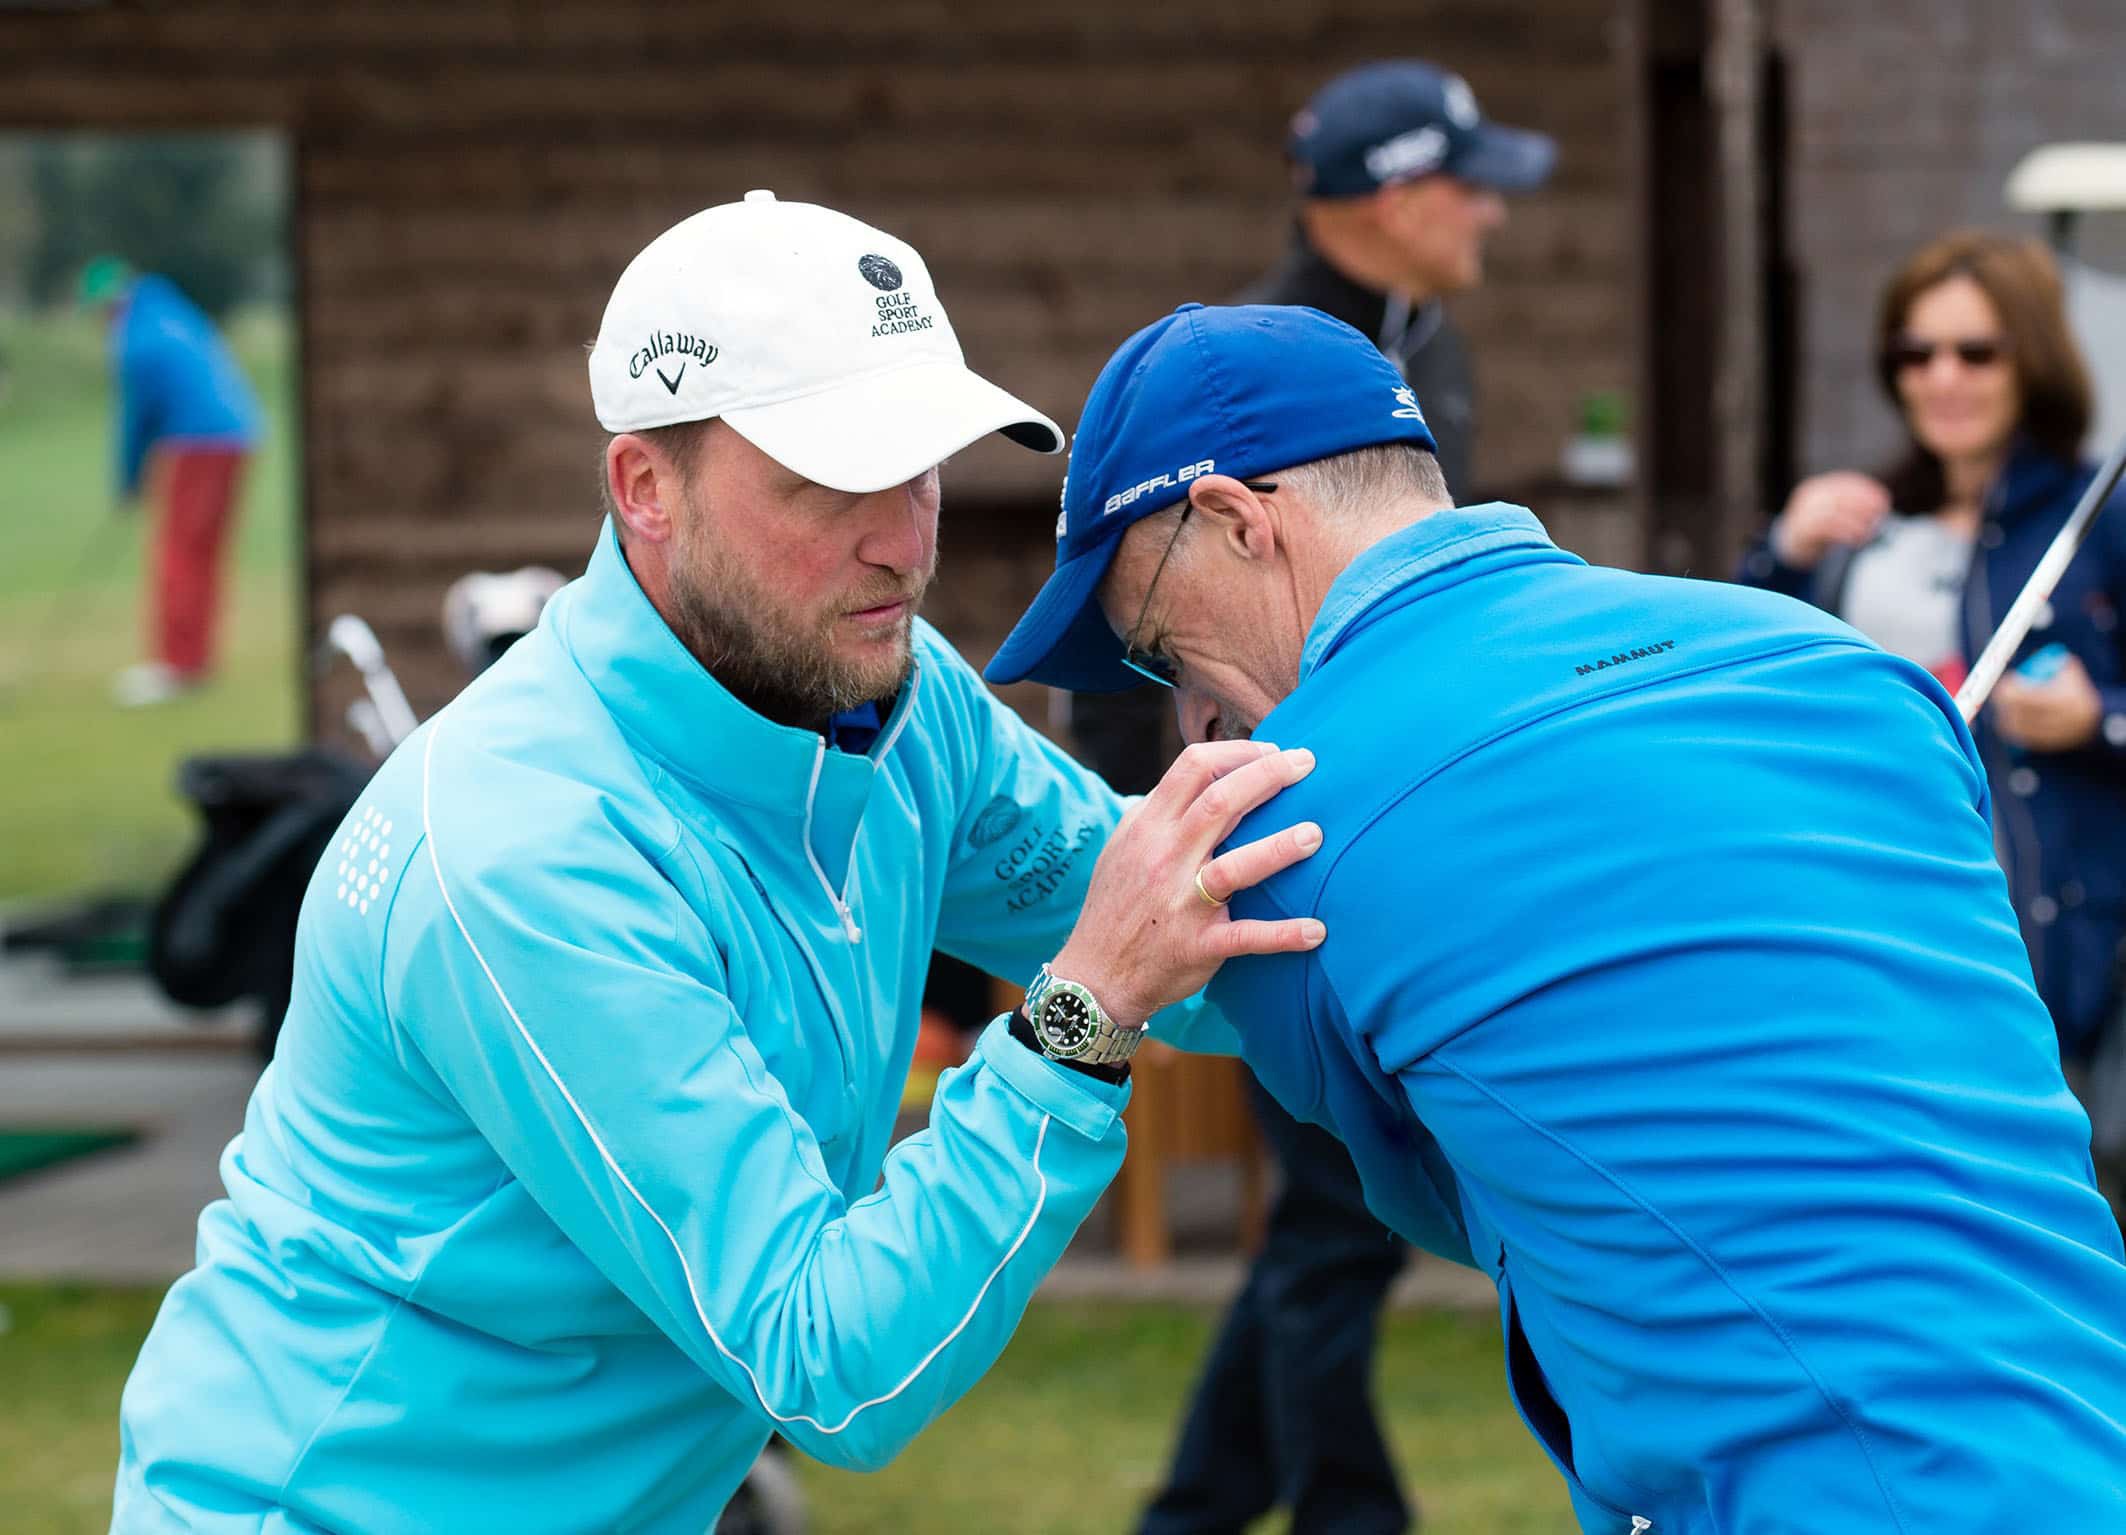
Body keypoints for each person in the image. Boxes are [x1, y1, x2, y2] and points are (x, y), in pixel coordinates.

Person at [110, 193, 1327, 1533]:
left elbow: (1191, 926)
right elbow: (832, 1363)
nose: (902, 537)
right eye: (835, 477)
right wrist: (1078, 1019)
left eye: (921, 465)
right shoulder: (527, 850)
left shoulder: (897, 700)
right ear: (645, 486)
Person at [986, 300, 2126, 1530]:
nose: (1193, 717)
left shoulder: (1280, 842)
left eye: (1163, 650)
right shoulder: (1841, 665)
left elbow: (1458, 1189)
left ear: (1234, 520)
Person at [1124, 59, 1553, 1535]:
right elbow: (1158, 639)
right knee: (1335, 1218)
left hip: (1388, 830)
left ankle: (1201, 1506)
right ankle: (1340, 1509)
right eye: (1468, 184)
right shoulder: (1261, 372)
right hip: (1292, 843)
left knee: (1333, 1223)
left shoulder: (1425, 342)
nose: (1491, 214)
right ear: (1391, 195)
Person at [1739, 229, 2126, 1073]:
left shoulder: (2101, 516)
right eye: (1915, 354)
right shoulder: (1860, 524)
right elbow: (1755, 706)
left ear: (2033, 358)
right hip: (1877, 931)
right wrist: (1784, 555)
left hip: (2051, 957)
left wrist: (2097, 719)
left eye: (1976, 352)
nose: (1942, 378)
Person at [80, 256, 262, 708]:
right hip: (238, 438)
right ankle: (194, 660)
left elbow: (137, 420)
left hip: (197, 445)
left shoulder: (137, 340)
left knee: (180, 553)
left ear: (109, 305)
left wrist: (127, 481)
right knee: (202, 554)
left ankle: (178, 666)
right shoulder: (171, 311)